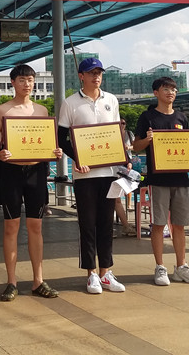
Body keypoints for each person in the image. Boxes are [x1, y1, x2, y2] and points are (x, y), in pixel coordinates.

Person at [0, 64, 62, 301]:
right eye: (21, 80)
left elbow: (47, 141)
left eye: (30, 80)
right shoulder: (2, 110)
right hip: (11, 171)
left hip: (36, 172)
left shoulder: (41, 110)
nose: (27, 84)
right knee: (11, 226)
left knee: (36, 226)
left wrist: (55, 152)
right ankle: (11, 281)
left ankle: (38, 280)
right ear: (13, 82)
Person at [58, 57, 128, 295]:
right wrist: (77, 158)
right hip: (84, 175)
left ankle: (106, 272)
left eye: (99, 72)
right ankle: (91, 274)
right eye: (91, 73)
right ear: (81, 76)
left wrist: (124, 158)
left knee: (107, 224)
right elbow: (61, 139)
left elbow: (116, 133)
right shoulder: (70, 103)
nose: (96, 76)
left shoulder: (111, 100)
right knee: (87, 224)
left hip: (108, 172)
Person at [132, 77, 189, 286]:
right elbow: (136, 146)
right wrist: (148, 140)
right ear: (156, 92)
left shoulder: (181, 117)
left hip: (181, 179)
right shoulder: (148, 117)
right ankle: (160, 267)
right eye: (166, 89)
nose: (170, 92)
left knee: (180, 224)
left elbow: (188, 147)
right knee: (158, 224)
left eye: (173, 89)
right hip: (158, 179)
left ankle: (181, 266)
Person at [114, 120, 135, 237]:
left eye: (123, 123)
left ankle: (126, 226)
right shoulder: (111, 135)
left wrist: (129, 162)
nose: (122, 125)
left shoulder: (127, 134)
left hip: (119, 170)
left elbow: (127, 152)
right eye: (120, 123)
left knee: (116, 200)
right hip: (109, 171)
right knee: (114, 200)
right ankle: (125, 226)